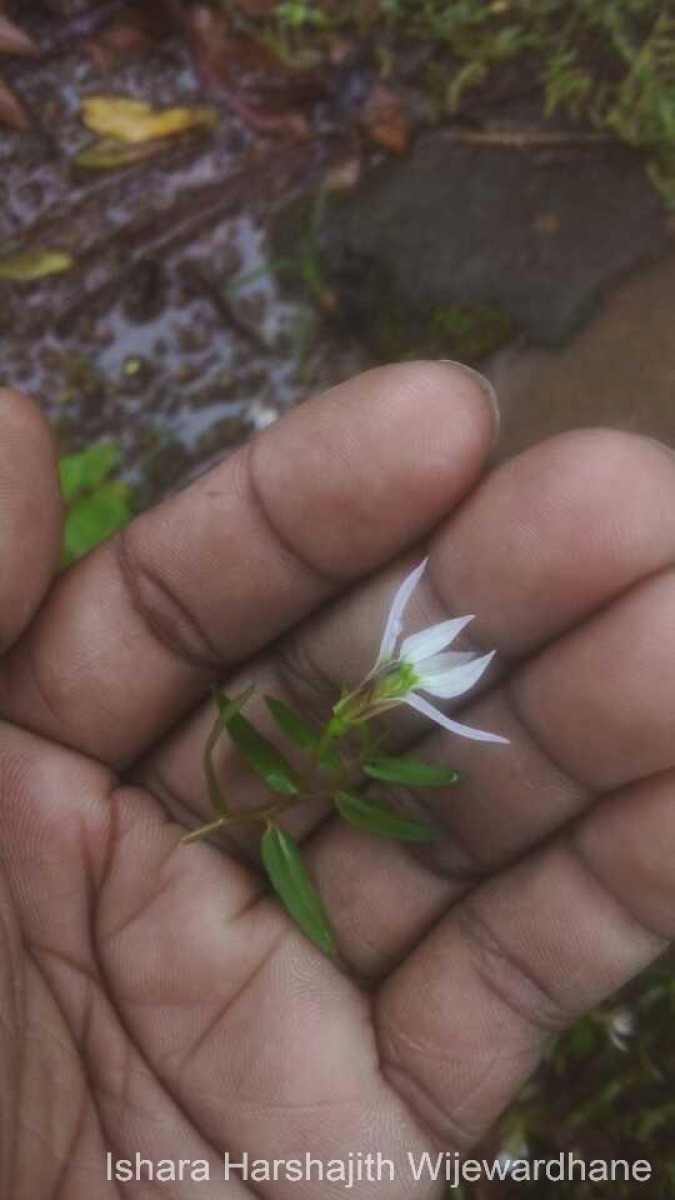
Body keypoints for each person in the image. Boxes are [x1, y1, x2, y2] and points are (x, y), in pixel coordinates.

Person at [0, 361, 673, 1197]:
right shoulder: (371, 689)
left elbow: (424, 677)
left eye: (395, 686)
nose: (389, 688)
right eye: (389, 684)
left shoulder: (394, 710)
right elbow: (399, 641)